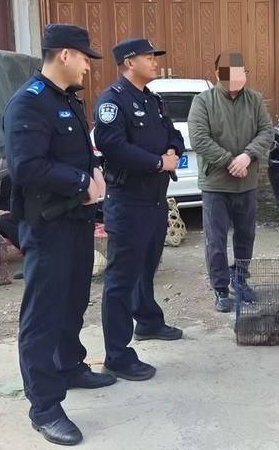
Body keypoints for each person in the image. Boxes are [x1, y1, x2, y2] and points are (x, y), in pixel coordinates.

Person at [3, 24, 114, 446]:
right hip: (48, 227)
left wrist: (94, 172)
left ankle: (70, 366)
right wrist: (80, 182)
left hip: (77, 222)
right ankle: (45, 407)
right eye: (85, 57)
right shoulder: (29, 102)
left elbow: (76, 153)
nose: (88, 66)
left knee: (72, 303)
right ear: (65, 55)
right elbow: (25, 166)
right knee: (42, 317)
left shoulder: (66, 98)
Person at [93, 38, 185, 382]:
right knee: (121, 279)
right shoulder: (112, 101)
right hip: (128, 201)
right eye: (149, 57)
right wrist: (157, 162)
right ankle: (117, 355)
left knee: (147, 265)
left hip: (155, 199)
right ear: (129, 63)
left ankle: (147, 321)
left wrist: (172, 152)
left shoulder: (152, 99)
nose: (155, 62)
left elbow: (172, 134)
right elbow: (111, 145)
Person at [187, 52, 274, 312]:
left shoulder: (254, 99)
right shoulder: (203, 101)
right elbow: (199, 139)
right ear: (218, 74)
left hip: (246, 183)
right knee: (215, 240)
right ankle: (221, 288)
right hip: (216, 184)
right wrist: (228, 161)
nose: (237, 77)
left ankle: (241, 279)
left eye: (241, 71)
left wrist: (247, 156)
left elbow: (266, 131)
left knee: (246, 236)